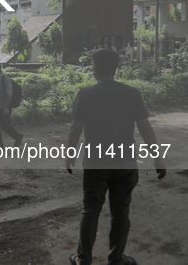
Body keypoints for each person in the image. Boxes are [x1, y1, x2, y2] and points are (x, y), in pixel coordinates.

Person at [66, 49, 166, 265]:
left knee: (90, 210)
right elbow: (145, 128)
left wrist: (69, 153)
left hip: (95, 163)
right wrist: (157, 158)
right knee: (120, 212)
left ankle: (83, 259)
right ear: (115, 68)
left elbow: (76, 128)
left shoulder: (86, 94)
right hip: (125, 163)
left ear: (94, 69)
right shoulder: (132, 93)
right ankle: (117, 259)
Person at [0, 60, 24, 148]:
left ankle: (18, 136)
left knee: (4, 125)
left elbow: (9, 94)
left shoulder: (5, 78)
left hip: (4, 107)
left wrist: (6, 108)